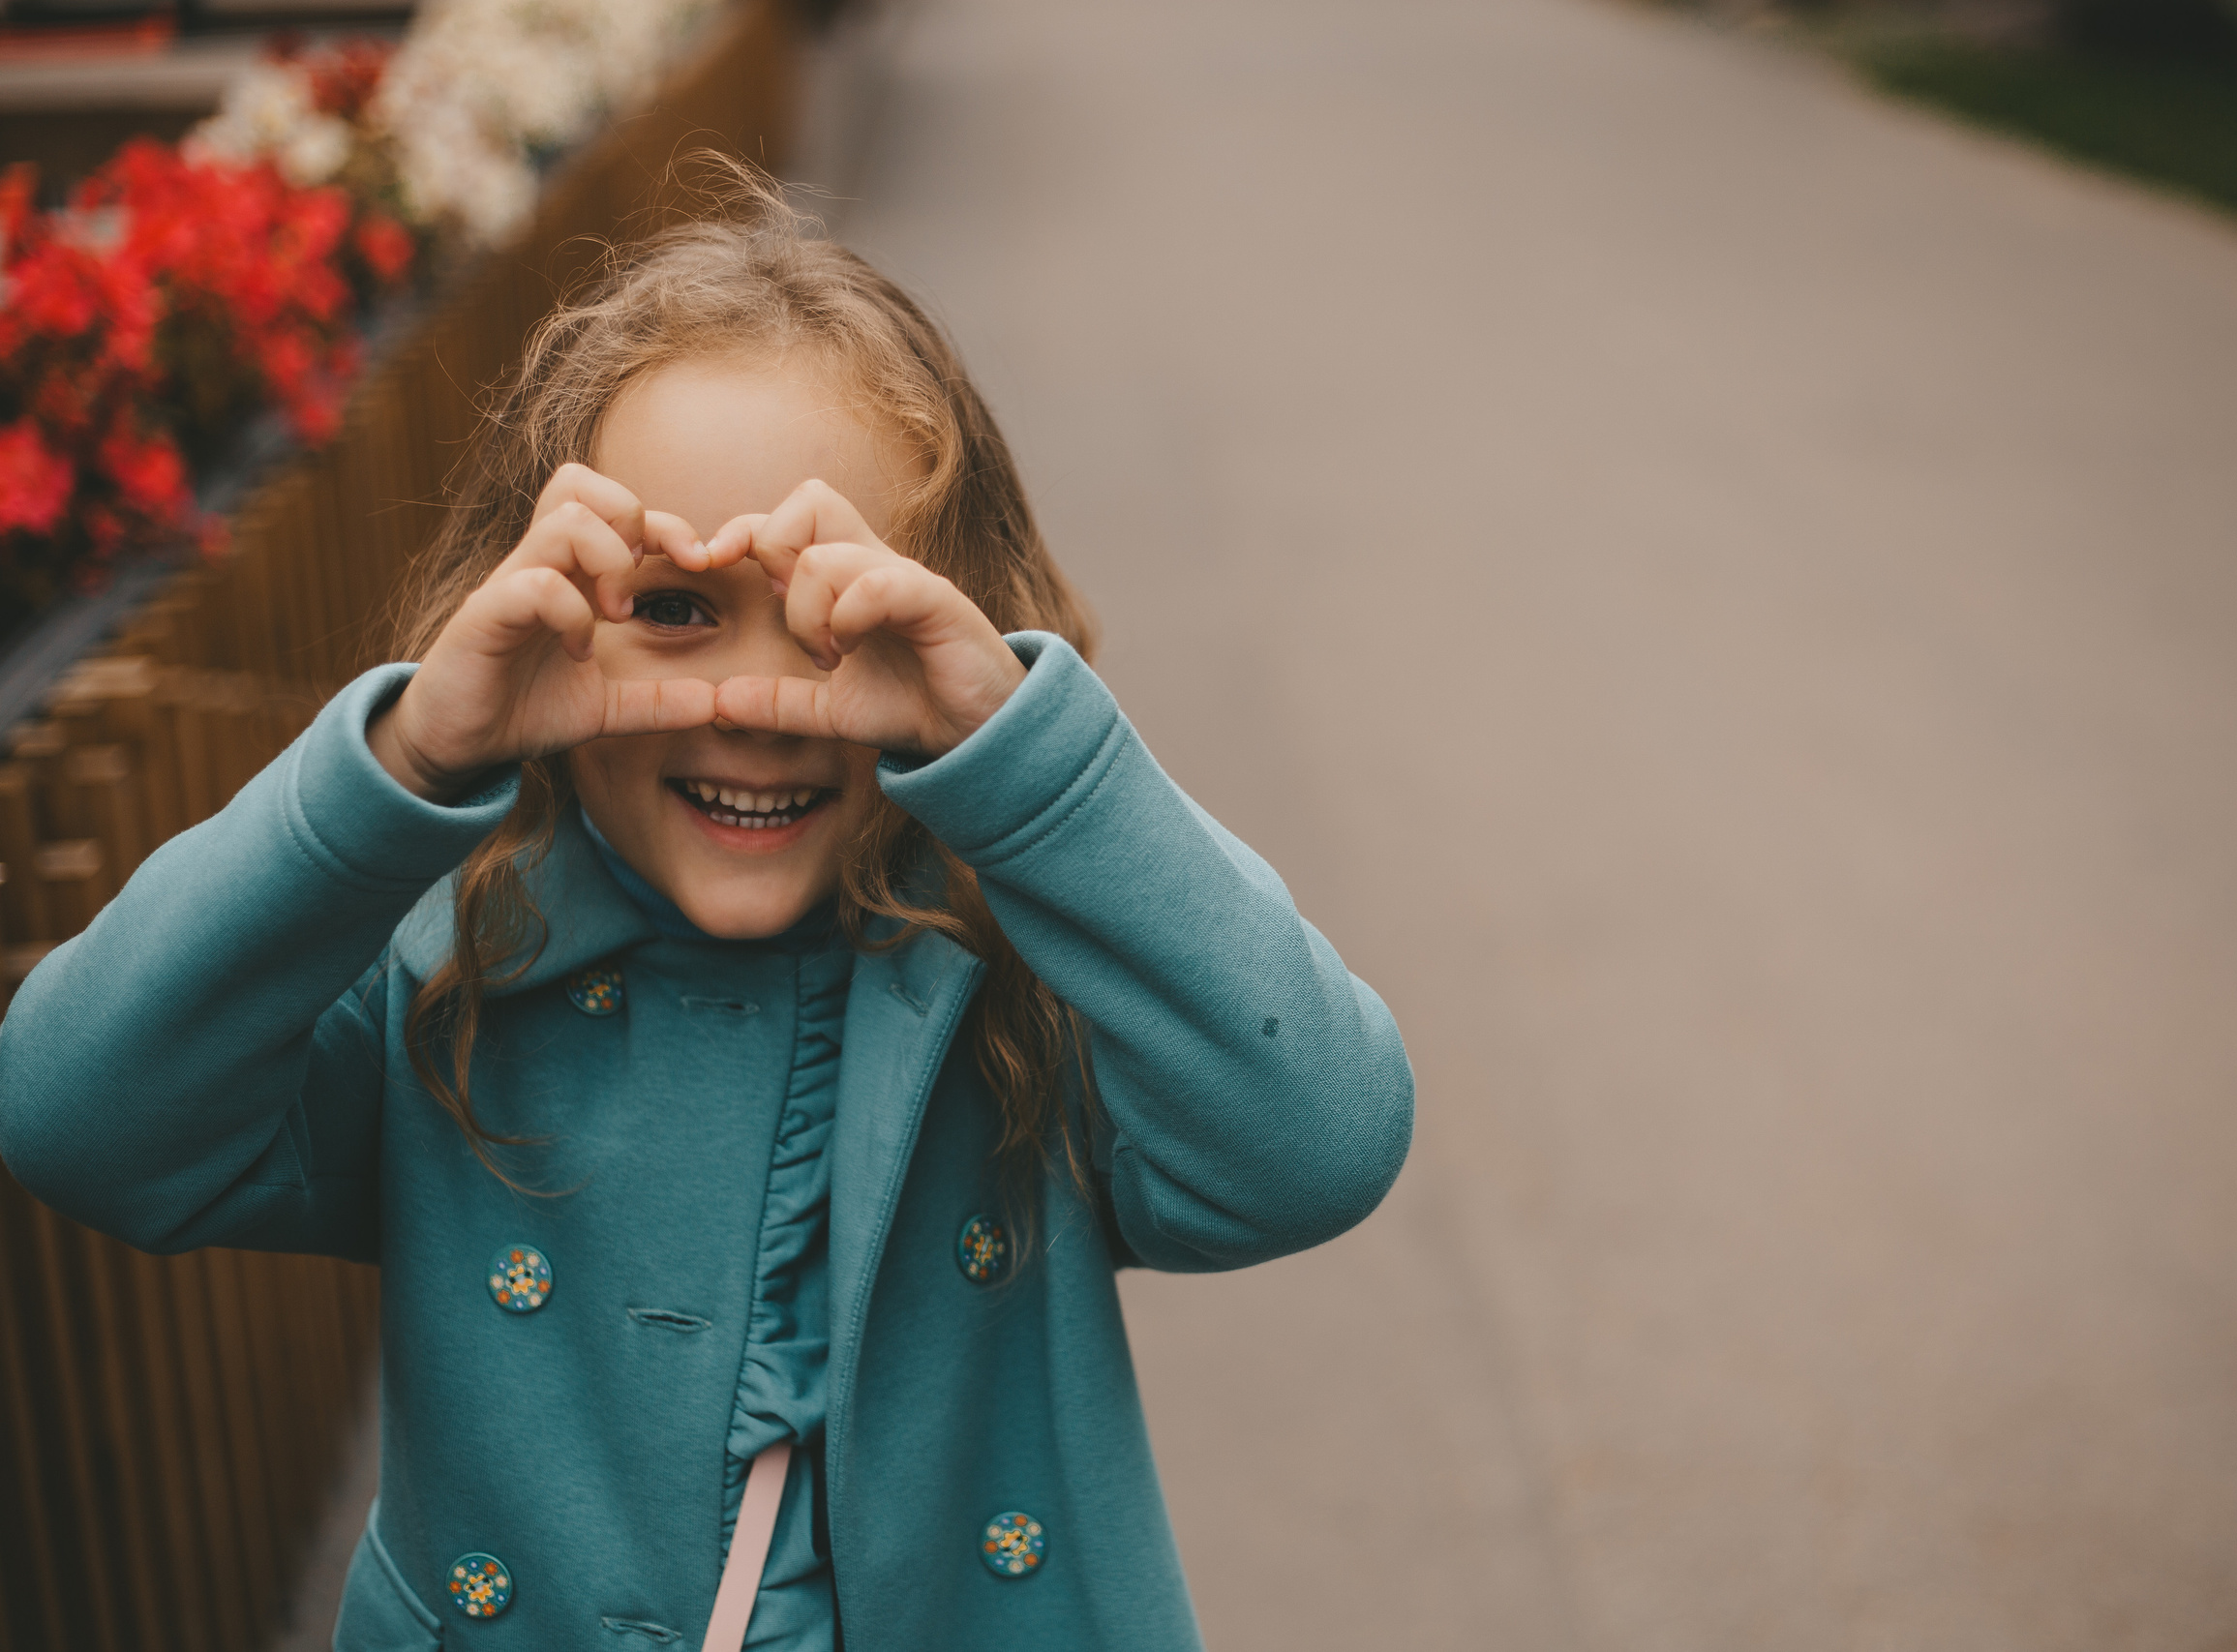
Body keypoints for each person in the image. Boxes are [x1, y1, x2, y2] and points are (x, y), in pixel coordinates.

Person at [0, 174, 1413, 1651]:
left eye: (843, 623)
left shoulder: (1022, 967)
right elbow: (76, 1114)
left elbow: (1319, 1138)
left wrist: (1032, 771)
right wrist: (407, 763)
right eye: (672, 608)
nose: (757, 705)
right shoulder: (447, 966)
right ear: (535, 611)